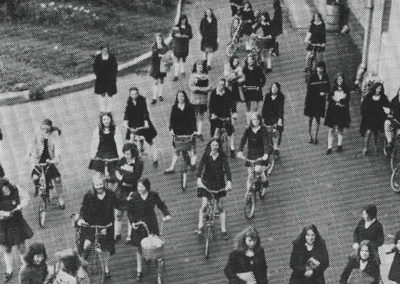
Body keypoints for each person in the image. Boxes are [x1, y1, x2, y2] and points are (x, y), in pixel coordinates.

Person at [127, 177, 171, 281]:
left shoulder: (153, 195)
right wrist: (132, 222)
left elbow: (161, 205)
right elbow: (130, 211)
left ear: (147, 187)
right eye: (138, 186)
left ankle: (157, 266)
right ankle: (139, 270)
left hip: (151, 224)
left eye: (141, 187)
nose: (139, 189)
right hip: (139, 225)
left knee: (155, 245)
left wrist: (167, 214)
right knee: (139, 248)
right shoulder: (134, 196)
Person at [77, 174, 117, 279]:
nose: (99, 187)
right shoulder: (89, 195)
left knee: (105, 249)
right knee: (86, 245)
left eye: (100, 184)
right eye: (96, 185)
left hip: (106, 226)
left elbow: (118, 205)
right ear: (93, 185)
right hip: (92, 225)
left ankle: (106, 268)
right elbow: (83, 208)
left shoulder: (110, 194)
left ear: (104, 184)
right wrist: (81, 218)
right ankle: (83, 265)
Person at [196, 138, 232, 240]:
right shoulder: (206, 155)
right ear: (210, 145)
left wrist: (229, 181)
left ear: (219, 146)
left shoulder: (222, 157)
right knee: (204, 205)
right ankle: (200, 226)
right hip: (207, 183)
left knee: (220, 206)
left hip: (219, 184)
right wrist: (199, 178)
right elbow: (200, 167)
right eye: (213, 145)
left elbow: (228, 170)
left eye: (216, 145)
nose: (214, 147)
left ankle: (223, 229)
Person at [0, 178, 33, 282]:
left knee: (21, 246)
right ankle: (9, 270)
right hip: (5, 225)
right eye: (3, 190)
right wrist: (4, 214)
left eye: (7, 188)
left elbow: (26, 197)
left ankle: (25, 268)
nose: (6, 191)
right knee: (7, 248)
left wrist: (21, 205)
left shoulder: (16, 188)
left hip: (17, 222)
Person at [28, 118, 65, 208]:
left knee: (57, 179)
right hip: (38, 159)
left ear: (50, 128)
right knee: (35, 178)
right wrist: (29, 153)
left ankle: (60, 197)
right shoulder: (37, 133)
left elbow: (57, 147)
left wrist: (56, 158)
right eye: (43, 128)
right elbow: (31, 144)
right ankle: (38, 187)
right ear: (41, 127)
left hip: (49, 159)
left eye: (47, 128)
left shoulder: (54, 134)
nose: (45, 130)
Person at [114, 143, 144, 244]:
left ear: (133, 154)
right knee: (118, 213)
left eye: (128, 154)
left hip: (132, 191)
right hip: (121, 190)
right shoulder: (122, 160)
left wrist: (122, 177)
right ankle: (117, 233)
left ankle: (129, 236)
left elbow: (135, 177)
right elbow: (116, 171)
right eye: (125, 153)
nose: (125, 156)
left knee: (131, 213)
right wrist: (123, 179)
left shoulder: (139, 164)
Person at [237, 113, 271, 196]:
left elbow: (266, 142)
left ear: (260, 120)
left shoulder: (263, 129)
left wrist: (266, 154)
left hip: (261, 153)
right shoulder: (248, 129)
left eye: (257, 119)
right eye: (253, 120)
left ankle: (264, 177)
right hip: (251, 153)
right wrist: (240, 150)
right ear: (251, 121)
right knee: (250, 175)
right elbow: (243, 140)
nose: (255, 121)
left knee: (258, 170)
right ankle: (248, 192)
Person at [123, 87, 158, 165]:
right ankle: (135, 156)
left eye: (135, 94)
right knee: (132, 140)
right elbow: (127, 112)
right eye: (132, 94)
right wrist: (125, 121)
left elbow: (145, 111)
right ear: (129, 94)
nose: (134, 96)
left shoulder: (142, 100)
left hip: (142, 122)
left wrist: (146, 121)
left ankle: (155, 158)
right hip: (134, 123)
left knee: (150, 141)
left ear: (138, 93)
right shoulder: (129, 102)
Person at [165, 91, 197, 174]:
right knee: (177, 150)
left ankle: (192, 163)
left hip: (188, 131)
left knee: (190, 148)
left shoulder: (190, 107)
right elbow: (172, 120)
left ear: (185, 97)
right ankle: (172, 167)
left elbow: (193, 119)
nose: (180, 98)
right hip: (178, 131)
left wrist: (194, 130)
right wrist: (171, 129)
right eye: (179, 96)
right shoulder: (174, 107)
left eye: (182, 96)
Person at [89, 112, 123, 189]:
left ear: (111, 119)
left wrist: (121, 155)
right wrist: (93, 154)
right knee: (98, 174)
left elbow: (119, 143)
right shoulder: (98, 130)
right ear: (101, 121)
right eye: (104, 119)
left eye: (108, 119)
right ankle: (99, 189)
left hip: (112, 153)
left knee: (113, 174)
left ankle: (111, 191)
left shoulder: (115, 129)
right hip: (101, 153)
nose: (106, 121)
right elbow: (94, 143)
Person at [209, 78, 236, 158]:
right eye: (220, 84)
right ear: (217, 84)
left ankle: (232, 147)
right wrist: (212, 114)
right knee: (215, 133)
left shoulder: (227, 91)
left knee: (230, 131)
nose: (221, 86)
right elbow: (211, 105)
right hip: (216, 116)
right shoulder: (214, 93)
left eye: (223, 85)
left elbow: (232, 103)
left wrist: (234, 113)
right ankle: (215, 148)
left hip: (226, 115)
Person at [324, 73, 351, 154]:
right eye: (338, 79)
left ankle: (339, 145)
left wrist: (341, 102)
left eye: (341, 79)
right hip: (333, 111)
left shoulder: (346, 88)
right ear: (336, 80)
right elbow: (329, 99)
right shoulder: (333, 88)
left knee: (340, 128)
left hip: (342, 111)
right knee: (331, 129)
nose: (340, 81)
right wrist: (335, 102)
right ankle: (329, 147)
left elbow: (347, 99)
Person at [304, 61, 330, 144]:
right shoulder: (312, 77)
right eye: (319, 68)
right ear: (316, 68)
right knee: (310, 118)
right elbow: (309, 89)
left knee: (318, 119)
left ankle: (315, 136)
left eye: (322, 68)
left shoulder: (325, 76)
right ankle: (309, 135)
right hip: (311, 101)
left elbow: (328, 87)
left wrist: (325, 92)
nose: (320, 70)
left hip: (320, 102)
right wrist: (318, 92)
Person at [360, 82, 389, 154]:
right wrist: (366, 115)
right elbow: (363, 106)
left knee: (378, 133)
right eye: (377, 88)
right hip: (370, 118)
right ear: (375, 88)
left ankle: (376, 146)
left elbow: (388, 105)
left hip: (379, 118)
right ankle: (365, 148)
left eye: (380, 89)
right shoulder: (369, 96)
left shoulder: (383, 97)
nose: (379, 90)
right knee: (369, 132)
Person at [189, 60, 212, 140]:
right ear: (196, 68)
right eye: (198, 67)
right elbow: (191, 88)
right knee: (194, 115)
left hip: (203, 100)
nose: (200, 68)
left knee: (201, 115)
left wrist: (201, 89)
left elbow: (210, 87)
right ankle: (194, 131)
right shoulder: (192, 76)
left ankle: (199, 132)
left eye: (201, 67)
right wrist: (203, 89)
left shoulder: (206, 76)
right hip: (195, 99)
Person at [261, 82, 285, 157]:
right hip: (268, 117)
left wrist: (280, 118)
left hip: (276, 118)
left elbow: (281, 108)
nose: (274, 89)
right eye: (272, 87)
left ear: (278, 89)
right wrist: (263, 117)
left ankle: (275, 148)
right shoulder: (267, 96)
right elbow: (264, 108)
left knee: (277, 134)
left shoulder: (281, 97)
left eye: (275, 87)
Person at [242, 53, 266, 124]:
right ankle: (252, 121)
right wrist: (244, 86)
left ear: (253, 61)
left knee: (260, 105)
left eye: (251, 60)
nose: (250, 62)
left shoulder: (257, 68)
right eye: (248, 60)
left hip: (257, 90)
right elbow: (242, 80)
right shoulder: (245, 70)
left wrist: (261, 85)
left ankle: (255, 120)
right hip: (249, 91)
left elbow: (263, 77)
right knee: (253, 107)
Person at [93, 44, 118, 113]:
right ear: (101, 50)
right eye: (103, 50)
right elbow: (95, 67)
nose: (105, 51)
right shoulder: (98, 57)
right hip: (101, 79)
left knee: (110, 94)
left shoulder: (112, 57)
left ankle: (109, 110)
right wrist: (98, 75)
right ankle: (102, 110)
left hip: (110, 79)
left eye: (106, 49)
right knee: (102, 94)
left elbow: (115, 67)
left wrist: (113, 77)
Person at [171, 14, 193, 81]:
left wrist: (187, 36)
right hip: (178, 45)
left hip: (185, 45)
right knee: (177, 59)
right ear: (180, 20)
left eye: (185, 20)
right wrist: (177, 35)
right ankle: (176, 75)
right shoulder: (176, 26)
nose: (183, 21)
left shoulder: (188, 27)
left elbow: (191, 36)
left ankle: (182, 71)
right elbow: (173, 35)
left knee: (183, 58)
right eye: (182, 20)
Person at [150, 33, 169, 105]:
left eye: (160, 38)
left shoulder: (164, 46)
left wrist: (163, 55)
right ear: (155, 39)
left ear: (162, 39)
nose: (159, 40)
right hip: (156, 66)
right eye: (157, 38)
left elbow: (167, 52)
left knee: (161, 81)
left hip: (163, 65)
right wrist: (158, 53)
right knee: (155, 82)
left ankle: (160, 95)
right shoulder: (154, 47)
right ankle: (154, 98)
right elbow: (152, 58)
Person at [384, 87, 400, 156]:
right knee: (387, 123)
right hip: (395, 121)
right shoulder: (394, 100)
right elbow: (390, 112)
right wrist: (391, 117)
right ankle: (390, 142)